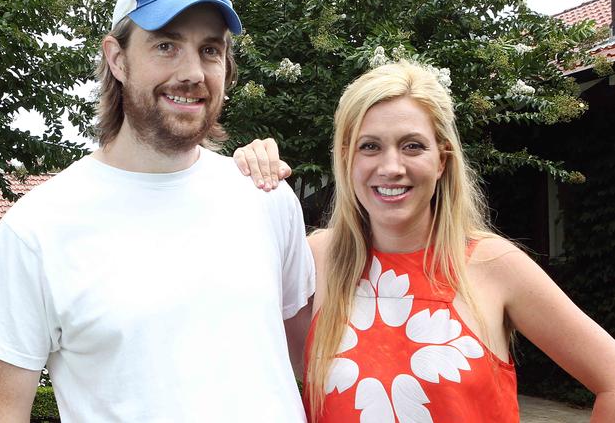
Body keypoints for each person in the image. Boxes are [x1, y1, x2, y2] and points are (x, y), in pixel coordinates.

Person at [0, 0, 314, 422]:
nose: (192, 71)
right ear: (117, 58)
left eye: (210, 50)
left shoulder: (266, 196)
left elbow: (316, 365)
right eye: (166, 45)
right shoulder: (38, 229)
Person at [234, 61, 615, 422]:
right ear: (347, 159)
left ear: (442, 160)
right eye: (370, 146)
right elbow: (230, 352)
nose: (391, 167)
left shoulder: (493, 265)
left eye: (413, 145)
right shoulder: (317, 259)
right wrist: (242, 176)